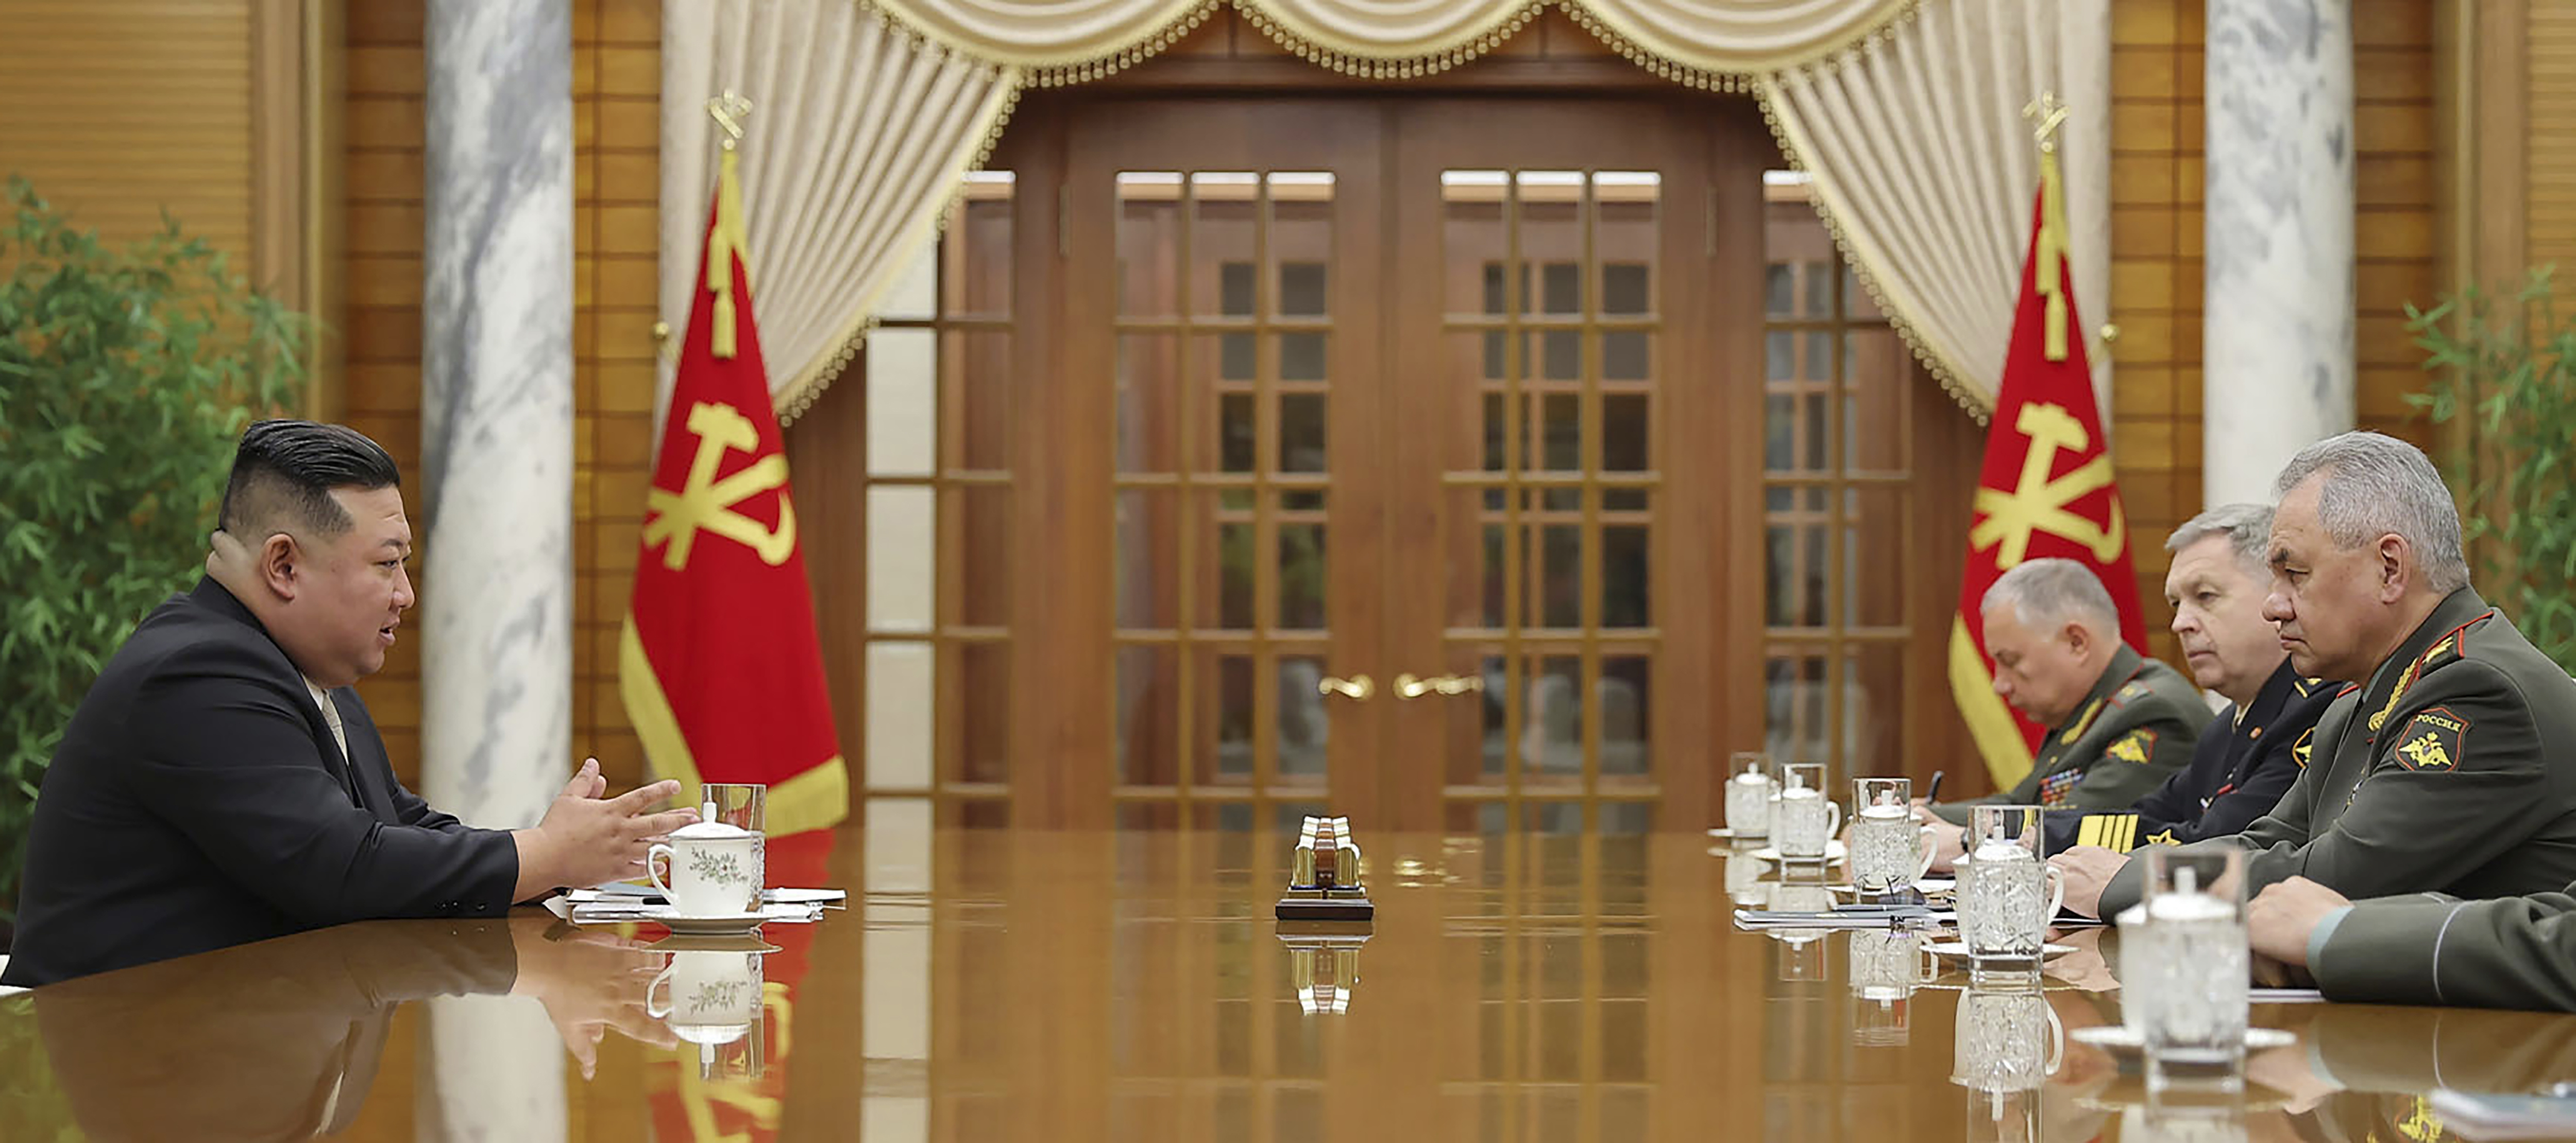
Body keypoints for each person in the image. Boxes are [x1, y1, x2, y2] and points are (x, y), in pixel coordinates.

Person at [4, 421, 695, 987]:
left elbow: (402, 827)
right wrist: (544, 854)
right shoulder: (199, 674)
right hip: (134, 1052)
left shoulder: (299, 669)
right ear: (284, 565)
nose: (406, 595)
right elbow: (345, 867)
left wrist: (566, 863)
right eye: (387, 563)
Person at [2095, 430, 2576, 925]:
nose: (2273, 606)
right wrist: (2123, 870)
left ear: (2390, 569)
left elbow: (2337, 877)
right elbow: (2271, 840)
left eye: (2295, 574)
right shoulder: (2362, 694)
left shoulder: (2477, 692)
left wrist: (2129, 882)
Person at [2048, 505, 2340, 915]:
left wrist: (2043, 839)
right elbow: (2150, 814)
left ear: (2276, 595)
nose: (2180, 623)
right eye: (2175, 604)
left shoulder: (2316, 708)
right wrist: (2037, 837)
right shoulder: (2225, 728)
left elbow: (2219, 842)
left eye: (2205, 597)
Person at [1923, 558, 2208, 865]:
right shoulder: (2088, 709)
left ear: (2076, 643)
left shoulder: (2154, 714)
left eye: (2011, 661)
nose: (1999, 684)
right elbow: (2020, 803)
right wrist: (1923, 817)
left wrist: (1970, 837)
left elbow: (2074, 829)